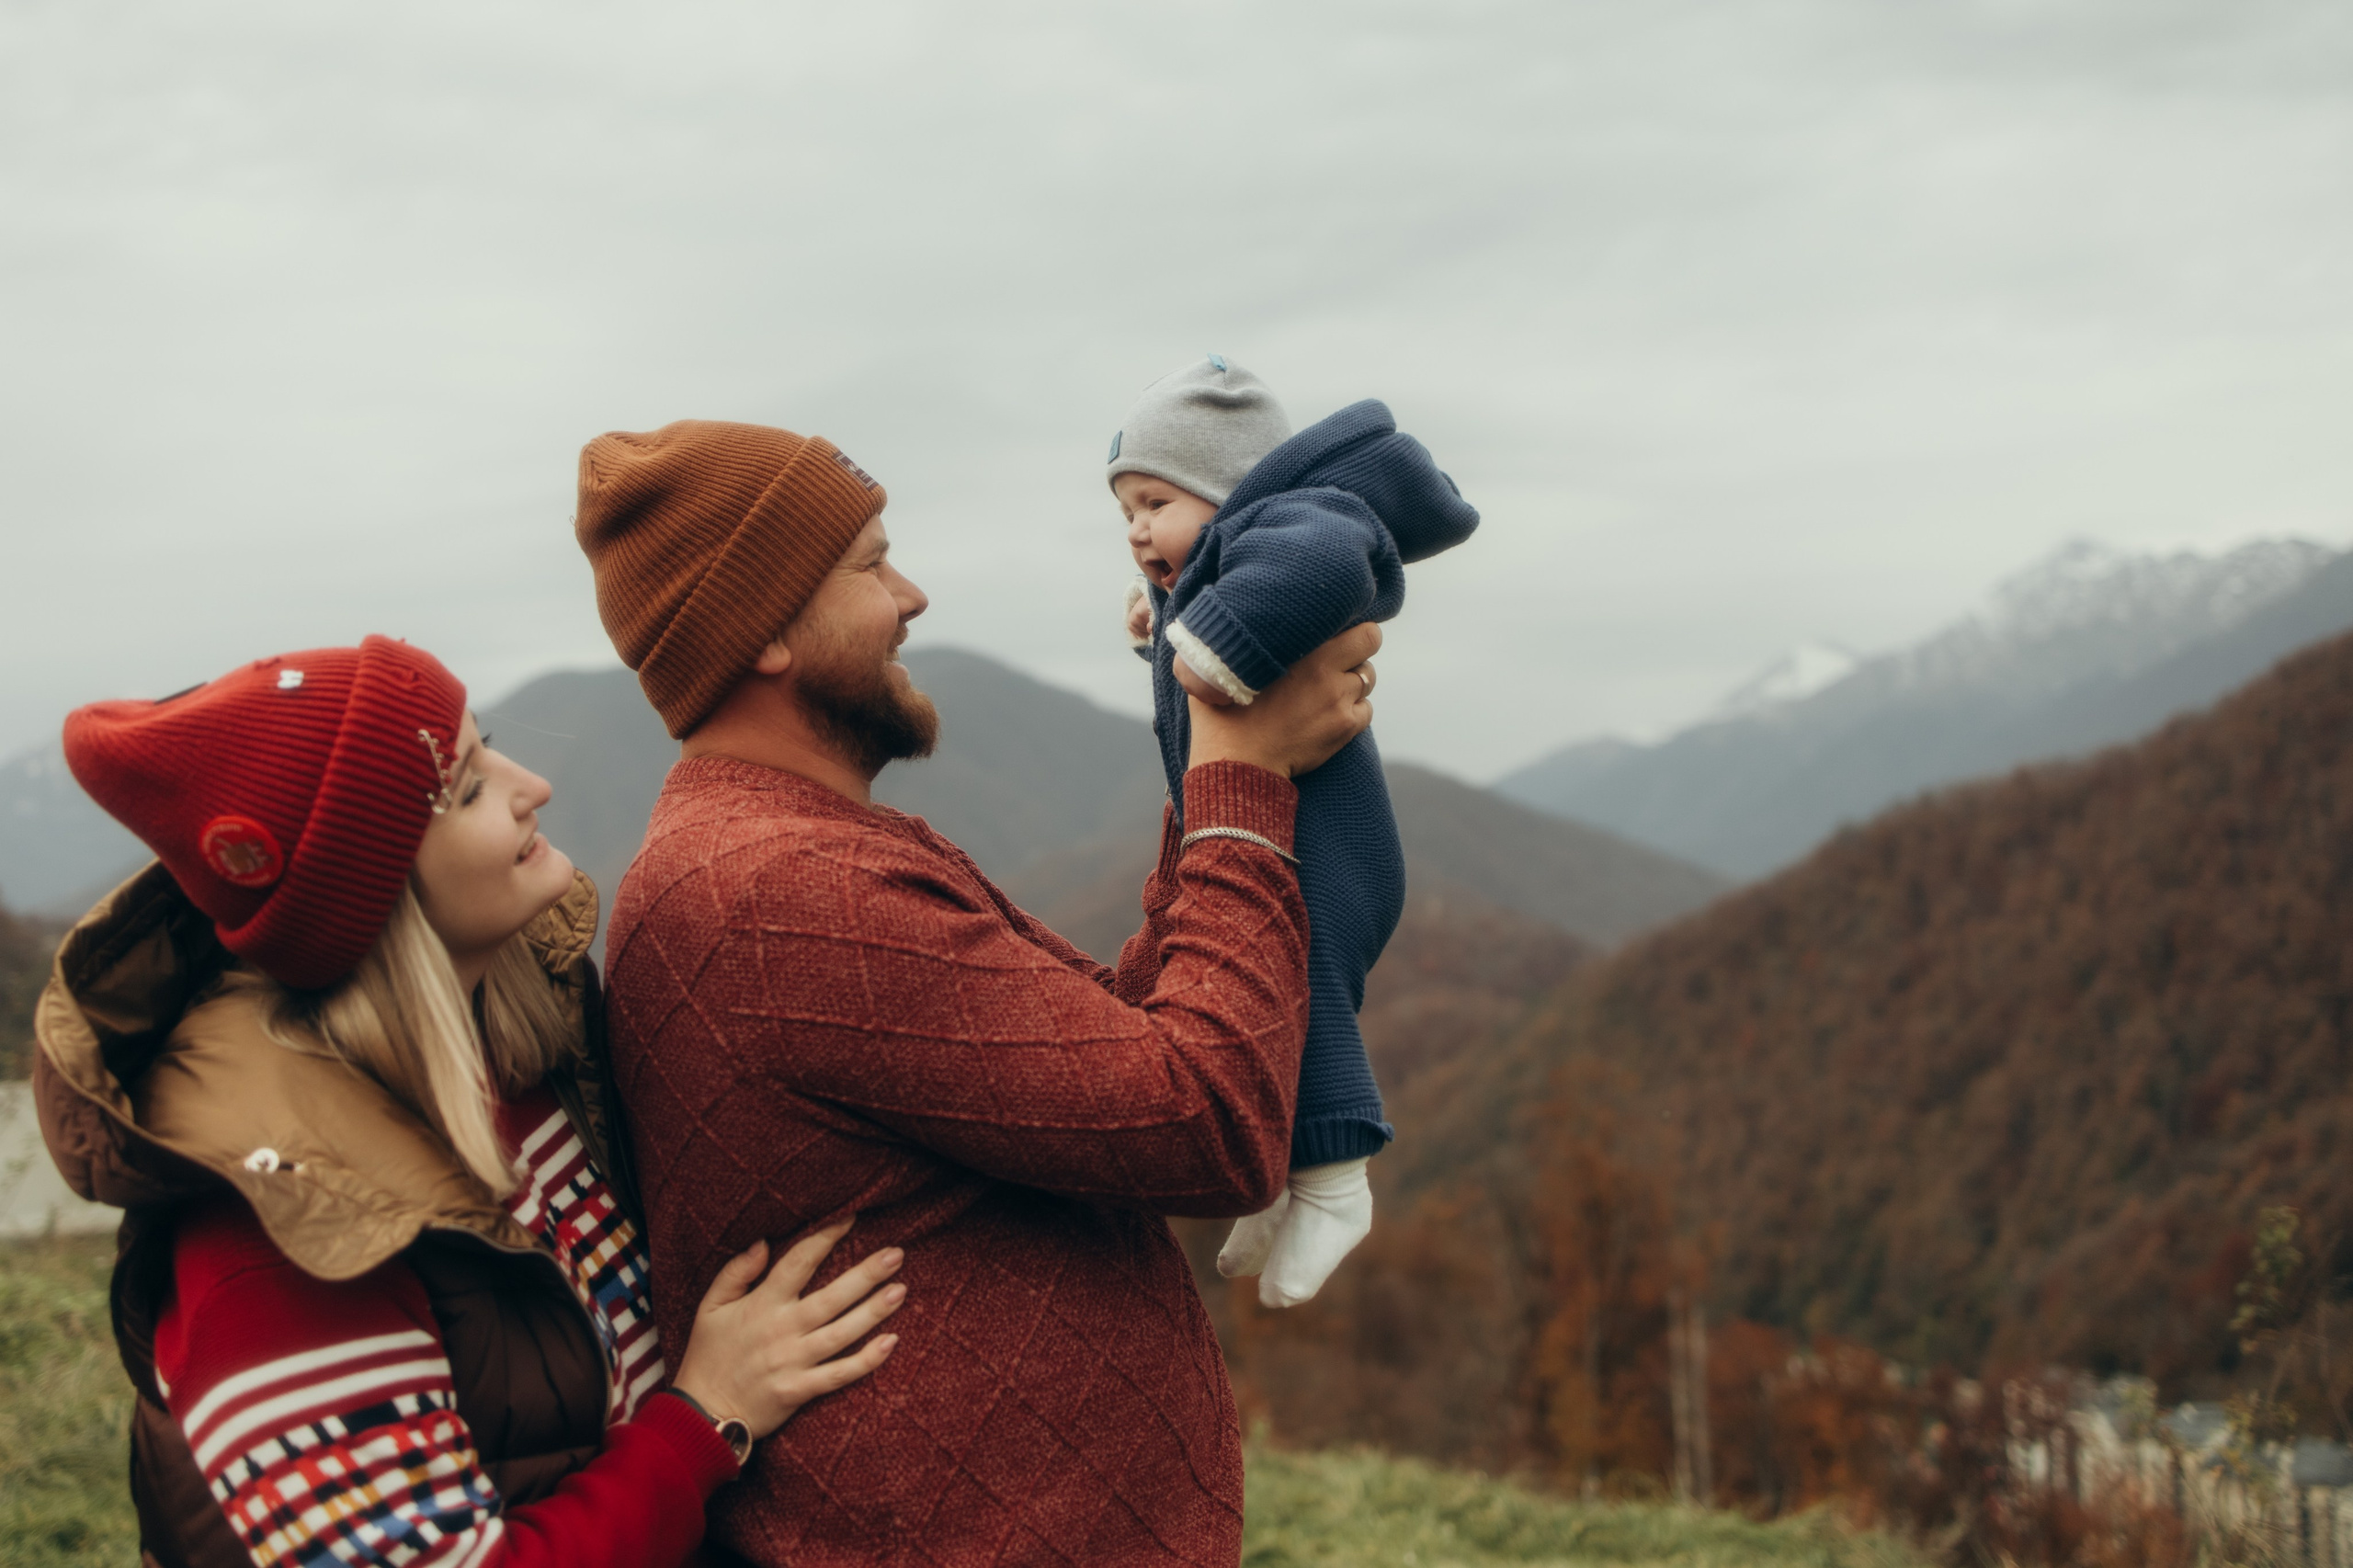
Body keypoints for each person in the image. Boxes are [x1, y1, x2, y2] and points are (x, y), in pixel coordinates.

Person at [573, 418, 1379, 1565]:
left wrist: (1215, 778)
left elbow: (1119, 1042)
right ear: (762, 634)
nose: (912, 595)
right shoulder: (777, 890)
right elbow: (1206, 1119)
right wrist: (1235, 774)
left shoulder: (798, 850)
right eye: (869, 563)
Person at [33, 635, 908, 1568]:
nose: (531, 782)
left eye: (484, 745)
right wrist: (705, 1418)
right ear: (373, 895)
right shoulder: (275, 1246)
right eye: (466, 788)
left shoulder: (522, 1058)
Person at [1109, 356, 1480, 1307]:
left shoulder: (1305, 522)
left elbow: (1313, 574)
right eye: (1126, 512)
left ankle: (1336, 1180)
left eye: (1155, 499)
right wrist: (1166, 626)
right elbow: (1242, 599)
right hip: (1274, 827)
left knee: (1302, 981)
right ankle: (1283, 1173)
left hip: (1331, 846)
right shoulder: (1243, 546)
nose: (1138, 527)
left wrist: (1209, 642)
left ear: (1226, 487)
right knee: (1271, 992)